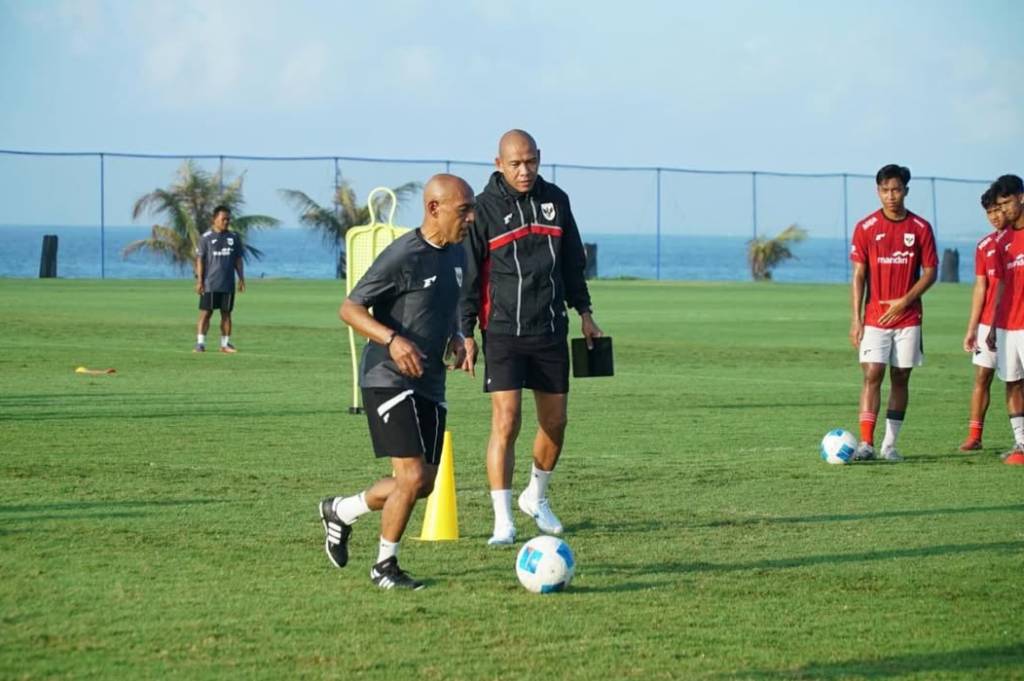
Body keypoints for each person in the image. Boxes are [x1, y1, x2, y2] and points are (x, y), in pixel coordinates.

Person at [318, 174, 475, 590]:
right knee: (408, 477)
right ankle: (384, 567)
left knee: (421, 484)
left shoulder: (458, 253)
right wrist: (392, 339)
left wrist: (459, 337)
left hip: (431, 382)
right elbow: (350, 308)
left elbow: (452, 303)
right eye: (465, 210)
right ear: (434, 209)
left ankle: (342, 510)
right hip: (387, 377)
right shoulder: (402, 254)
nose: (472, 218)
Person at [460, 129, 603, 546]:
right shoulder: (482, 209)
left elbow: (573, 263)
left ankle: (535, 497)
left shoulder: (557, 201)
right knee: (506, 421)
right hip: (502, 330)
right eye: (515, 164)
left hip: (551, 329)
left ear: (539, 158)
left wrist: (586, 314)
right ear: (498, 164)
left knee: (555, 423)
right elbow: (469, 275)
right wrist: (464, 332)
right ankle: (502, 520)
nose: (525, 171)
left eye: (531, 162)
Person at [849, 164, 938, 462]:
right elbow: (859, 275)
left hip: (909, 318)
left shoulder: (921, 228)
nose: (891, 196)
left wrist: (904, 301)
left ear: (906, 191)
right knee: (872, 373)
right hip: (874, 316)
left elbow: (931, 272)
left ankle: (889, 445)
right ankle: (866, 443)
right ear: (878, 191)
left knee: (900, 377)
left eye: (896, 189)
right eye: (885, 190)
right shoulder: (865, 228)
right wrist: (856, 318)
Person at [959, 188, 1011, 450]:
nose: (994, 216)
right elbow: (981, 287)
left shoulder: (1016, 239)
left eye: (997, 209)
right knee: (982, 377)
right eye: (989, 212)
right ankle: (975, 436)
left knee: (1017, 381)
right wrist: (972, 328)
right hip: (987, 324)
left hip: (1013, 323)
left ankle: (1019, 439)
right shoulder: (984, 246)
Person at [986, 174, 1024, 465]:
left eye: (1008, 202)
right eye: (999, 205)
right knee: (1011, 383)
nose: (1004, 210)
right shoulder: (1003, 241)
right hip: (1005, 325)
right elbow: (998, 284)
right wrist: (991, 325)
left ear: (1021, 197)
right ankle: (1021, 444)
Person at [194, 205, 245, 353]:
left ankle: (225, 344)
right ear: (214, 219)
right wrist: (199, 281)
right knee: (206, 313)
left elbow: (238, 259)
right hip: (210, 283)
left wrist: (241, 278)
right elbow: (200, 260)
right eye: (223, 219)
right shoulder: (206, 238)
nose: (226, 222)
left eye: (228, 219)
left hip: (228, 283)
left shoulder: (234, 237)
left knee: (226, 313)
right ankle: (200, 344)